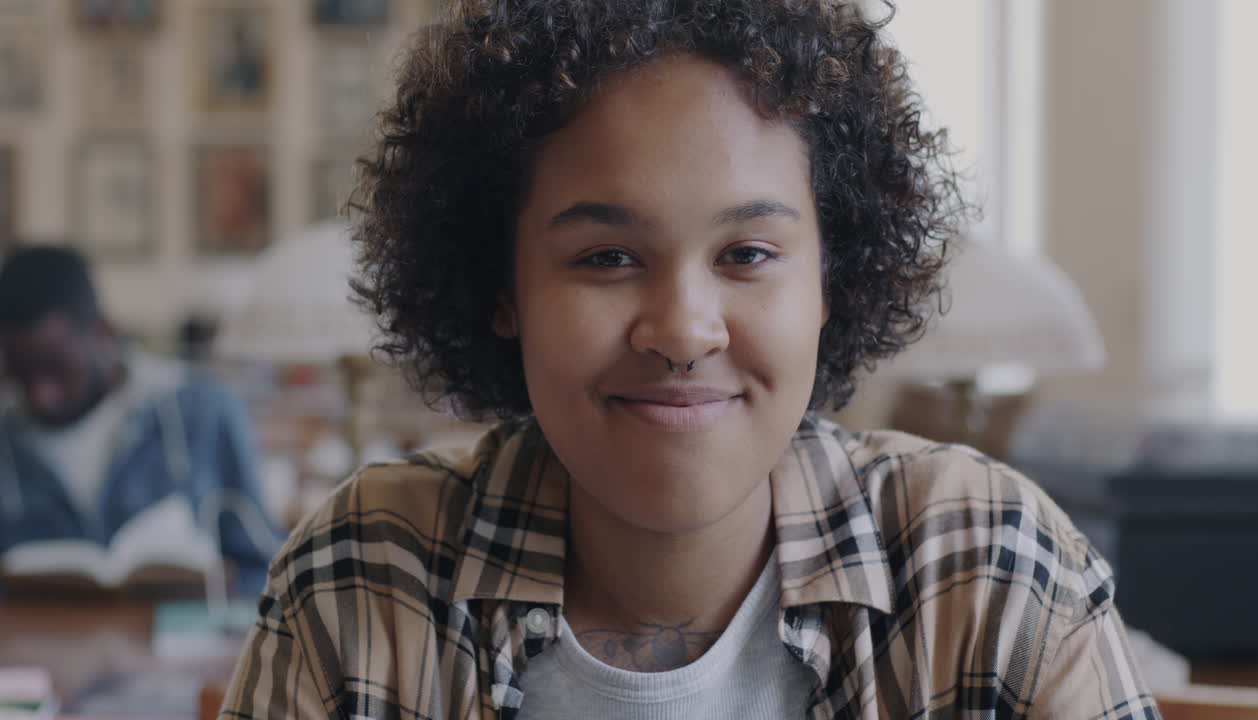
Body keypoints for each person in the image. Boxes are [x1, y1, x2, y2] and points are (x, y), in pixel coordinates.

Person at [222, 1, 1159, 717]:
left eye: (747, 255)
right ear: (500, 287)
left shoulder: (990, 570)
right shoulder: (364, 580)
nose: (682, 328)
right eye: (607, 258)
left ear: (831, 282)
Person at [0, 245, 278, 597]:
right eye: (20, 374)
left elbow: (265, 567)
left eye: (57, 367)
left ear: (103, 332)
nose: (41, 394)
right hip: (31, 651)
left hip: (188, 648)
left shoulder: (204, 415)